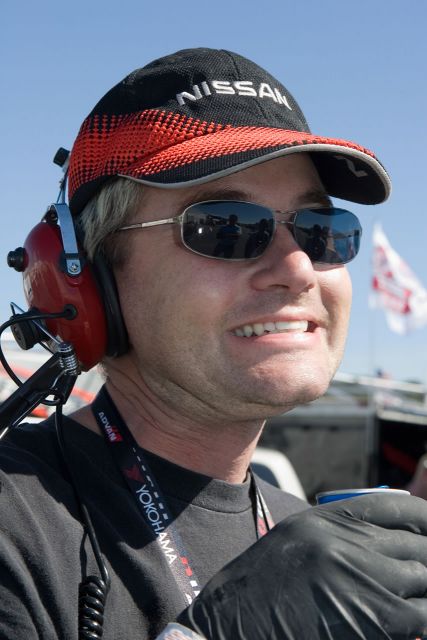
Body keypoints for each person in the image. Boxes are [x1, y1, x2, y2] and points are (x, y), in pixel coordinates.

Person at [1, 47, 427, 640]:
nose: (299, 269)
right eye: (226, 227)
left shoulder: (315, 545)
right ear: (92, 279)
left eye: (322, 231)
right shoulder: (14, 521)